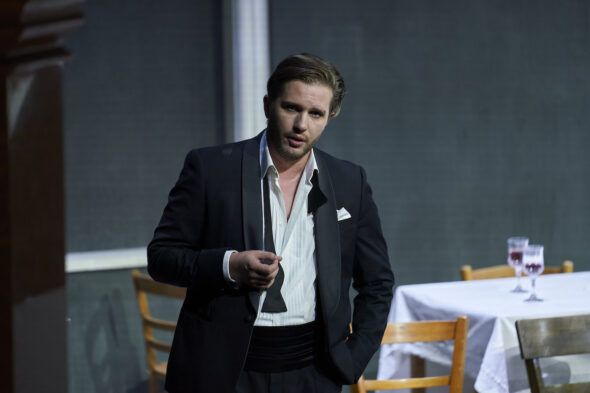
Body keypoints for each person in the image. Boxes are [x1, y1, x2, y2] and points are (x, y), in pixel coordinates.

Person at [148, 53, 394, 393]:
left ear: (330, 116)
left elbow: (378, 282)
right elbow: (161, 258)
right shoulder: (210, 169)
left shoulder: (350, 180)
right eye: (291, 108)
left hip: (315, 375)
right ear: (268, 104)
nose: (301, 125)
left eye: (315, 114)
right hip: (222, 373)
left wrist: (352, 358)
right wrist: (229, 264)